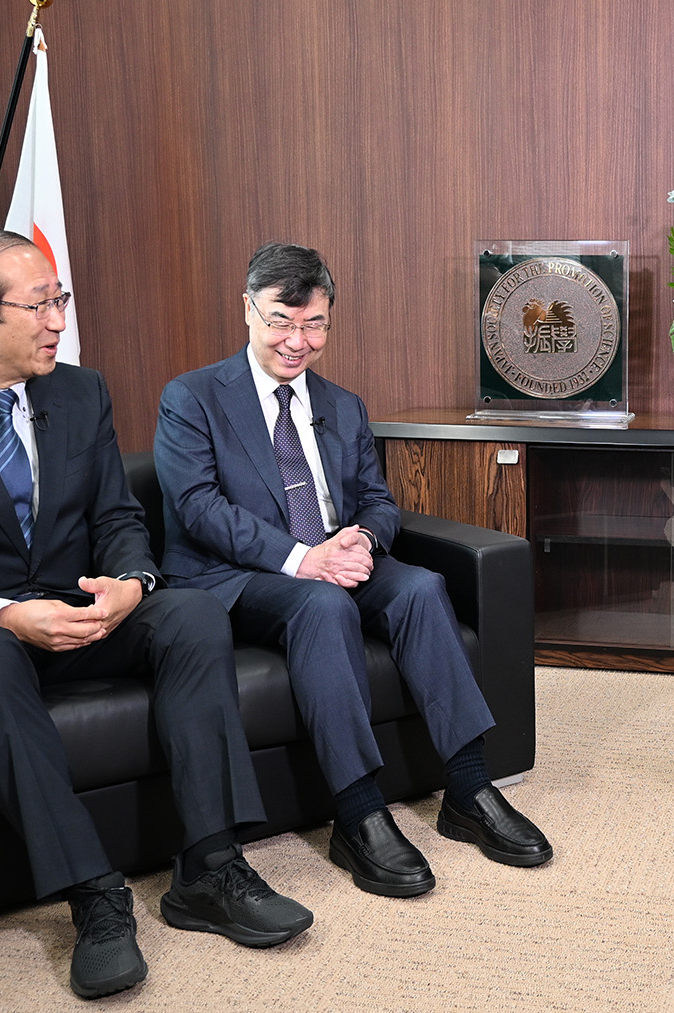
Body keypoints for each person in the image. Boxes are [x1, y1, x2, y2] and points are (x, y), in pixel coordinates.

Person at [0, 229, 312, 1000]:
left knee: (191, 614)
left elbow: (118, 517)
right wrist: (1, 614)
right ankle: (95, 895)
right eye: (39, 304)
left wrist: (131, 580)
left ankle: (210, 866)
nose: (59, 320)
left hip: (75, 612)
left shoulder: (80, 391)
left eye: (61, 300)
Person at [152, 242, 552, 898]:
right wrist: (302, 558)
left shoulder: (341, 403)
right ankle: (359, 811)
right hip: (238, 576)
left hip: (335, 557)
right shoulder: (192, 397)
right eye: (282, 319)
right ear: (247, 310)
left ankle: (470, 786)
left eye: (314, 324)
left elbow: (375, 498)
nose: (296, 340)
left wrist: (363, 538)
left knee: (422, 587)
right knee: (322, 604)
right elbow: (197, 508)